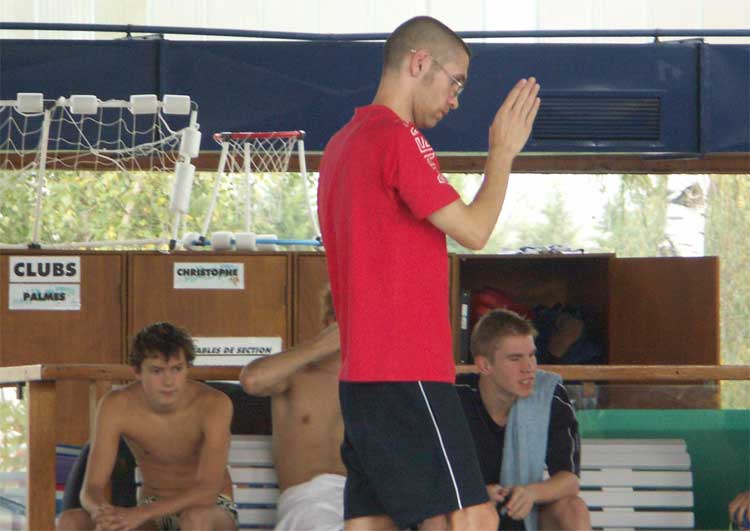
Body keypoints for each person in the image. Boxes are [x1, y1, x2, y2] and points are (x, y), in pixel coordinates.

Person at [317, 14, 540, 530]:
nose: (455, 99)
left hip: (360, 378)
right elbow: (475, 231)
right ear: (419, 63)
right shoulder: (398, 137)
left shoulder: (341, 144)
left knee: (374, 522)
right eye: (455, 82)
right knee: (475, 519)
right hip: (407, 368)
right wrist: (502, 152)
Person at [57, 322, 238, 531]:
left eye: (177, 369)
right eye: (157, 371)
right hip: (152, 504)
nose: (168, 381)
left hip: (211, 508)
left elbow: (207, 490)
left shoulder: (214, 403)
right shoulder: (116, 405)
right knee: (71, 520)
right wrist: (101, 512)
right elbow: (91, 488)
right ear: (137, 371)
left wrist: (140, 513)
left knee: (194, 518)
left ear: (188, 368)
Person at [425, 309, 590, 531]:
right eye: (515, 359)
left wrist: (531, 493)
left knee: (573, 508)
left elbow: (569, 480)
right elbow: (426, 479)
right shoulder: (453, 400)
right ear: (485, 365)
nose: (529, 367)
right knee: (441, 516)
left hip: (524, 514)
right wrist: (474, 495)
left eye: (531, 355)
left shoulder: (549, 396)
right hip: (468, 514)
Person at [240, 288, 344, 531]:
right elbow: (252, 381)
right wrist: (321, 346)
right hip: (309, 501)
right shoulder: (296, 375)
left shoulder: (379, 385)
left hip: (368, 503)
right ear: (330, 322)